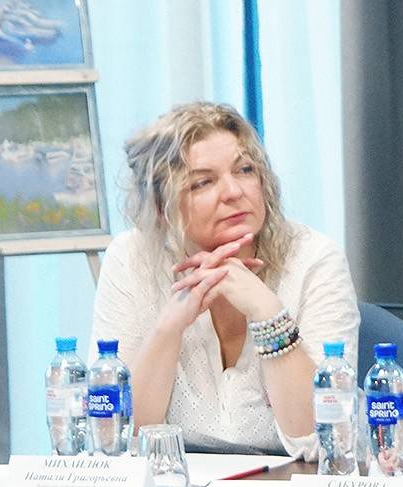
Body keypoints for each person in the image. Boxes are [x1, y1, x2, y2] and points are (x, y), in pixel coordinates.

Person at [91, 102, 359, 458]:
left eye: (245, 170)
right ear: (160, 206)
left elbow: (327, 439)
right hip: (175, 484)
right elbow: (114, 437)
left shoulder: (313, 259)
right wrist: (169, 328)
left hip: (291, 485)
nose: (234, 192)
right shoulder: (131, 258)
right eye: (203, 182)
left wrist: (268, 313)